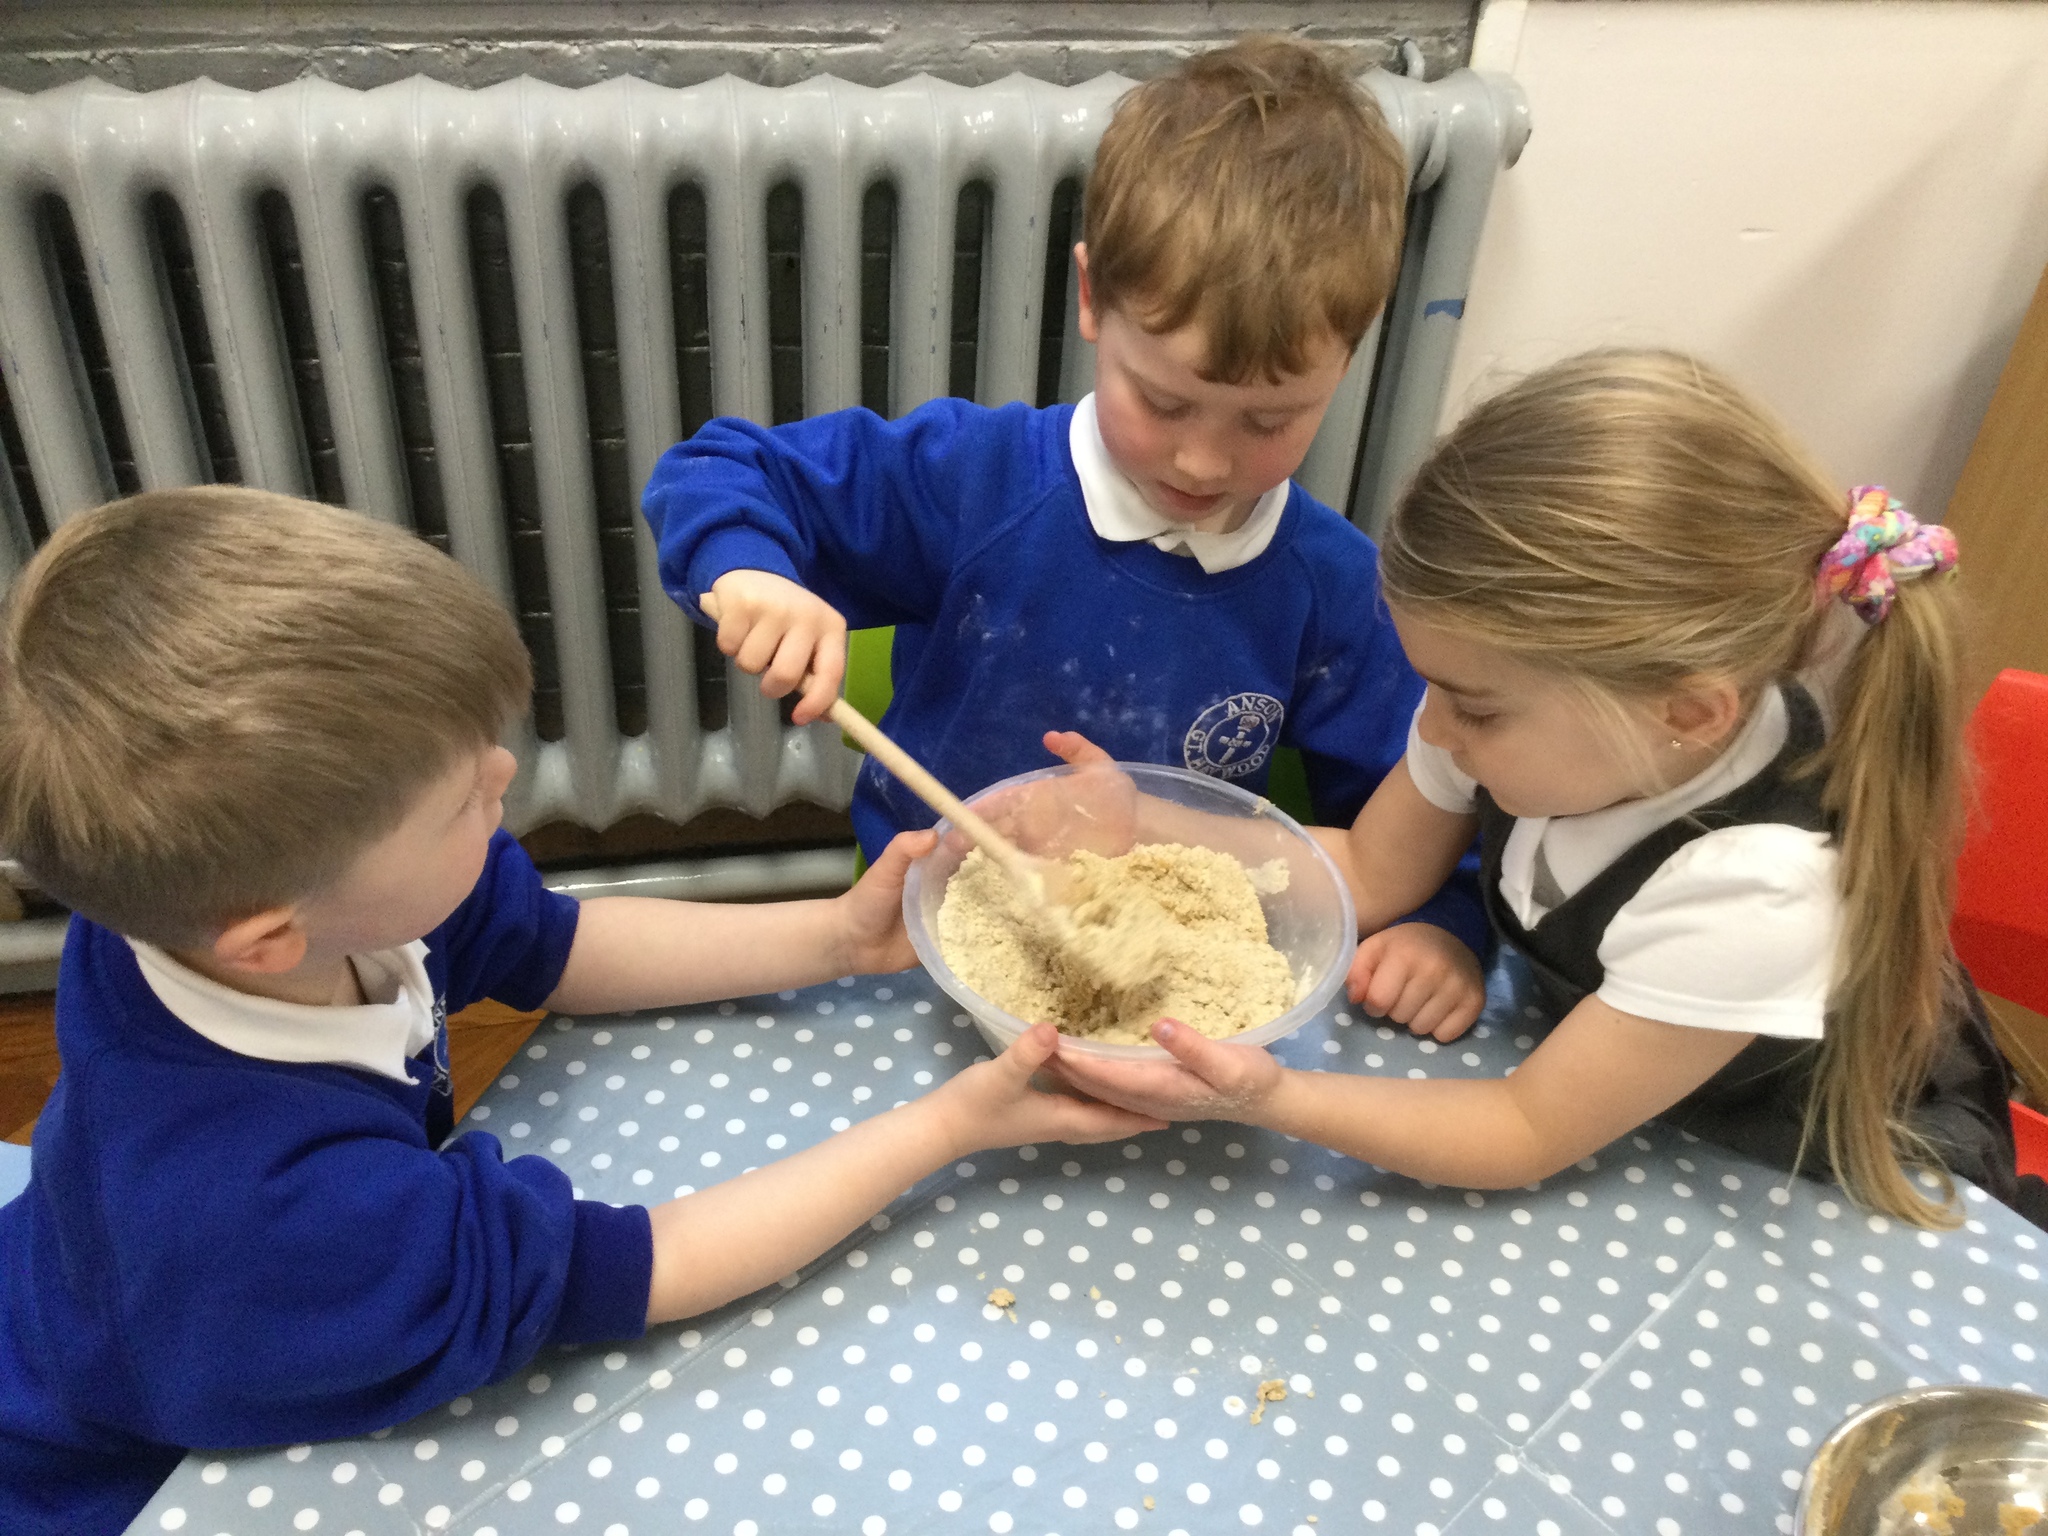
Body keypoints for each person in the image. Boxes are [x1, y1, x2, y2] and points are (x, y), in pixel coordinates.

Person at [0, 487, 1160, 1536]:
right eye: (464, 798)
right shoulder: (282, 1220)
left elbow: (552, 945)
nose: (506, 781)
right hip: (111, 1472)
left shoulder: (215, 911)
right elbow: (640, 1264)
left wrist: (832, 939)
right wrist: (947, 1127)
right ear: (269, 938)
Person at [1051, 348, 2024, 1228]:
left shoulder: (1755, 887)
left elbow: (1521, 1129)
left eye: (1470, 708)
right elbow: (1369, 871)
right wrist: (1139, 822)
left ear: (1687, 715)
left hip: (1818, 1175)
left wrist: (1264, 1097)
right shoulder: (1524, 716)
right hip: (1621, 1089)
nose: (1430, 730)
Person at [642, 34, 1488, 1036]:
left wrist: (1442, 926)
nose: (1203, 464)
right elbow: (721, 470)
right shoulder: (972, 481)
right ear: (1092, 299)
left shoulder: (1335, 587)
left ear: (1347, 358)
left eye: (1267, 421)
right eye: (1163, 403)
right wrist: (748, 573)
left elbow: (1425, 796)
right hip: (910, 942)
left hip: (1176, 984)